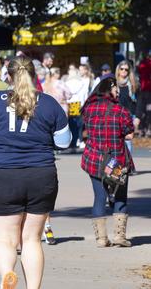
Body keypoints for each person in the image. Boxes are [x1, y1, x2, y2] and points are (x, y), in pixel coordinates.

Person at [0, 55, 71, 289]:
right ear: (35, 75)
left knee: (4, 239)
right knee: (31, 239)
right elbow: (64, 142)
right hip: (41, 174)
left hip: (4, 175)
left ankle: (8, 273)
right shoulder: (49, 103)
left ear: (8, 75)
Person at [81, 77, 135, 248]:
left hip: (94, 159)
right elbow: (130, 134)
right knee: (120, 196)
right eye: (116, 89)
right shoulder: (120, 110)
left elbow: (85, 132)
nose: (117, 92)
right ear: (109, 89)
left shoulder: (88, 109)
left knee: (99, 197)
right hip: (116, 160)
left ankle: (101, 239)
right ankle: (119, 236)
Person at [115, 60, 138, 153]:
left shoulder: (133, 84)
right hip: (117, 116)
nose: (124, 71)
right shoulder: (114, 84)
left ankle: (128, 163)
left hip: (129, 116)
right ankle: (119, 163)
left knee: (128, 140)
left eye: (126, 69)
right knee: (117, 140)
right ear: (118, 70)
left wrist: (136, 117)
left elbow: (137, 102)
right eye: (122, 69)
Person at [136, 53, 151, 136]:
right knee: (148, 110)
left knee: (142, 110)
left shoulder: (142, 63)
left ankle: (143, 129)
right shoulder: (145, 63)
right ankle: (147, 129)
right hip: (148, 91)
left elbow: (139, 73)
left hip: (142, 90)